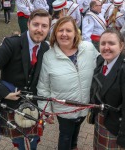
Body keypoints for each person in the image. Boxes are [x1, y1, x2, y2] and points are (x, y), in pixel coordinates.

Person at [0, 9, 51, 150]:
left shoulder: (46, 48)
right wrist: (4, 92)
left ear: (48, 28)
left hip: (34, 107)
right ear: (28, 24)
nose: (39, 30)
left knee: (33, 141)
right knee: (21, 144)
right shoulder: (12, 44)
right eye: (36, 24)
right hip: (12, 105)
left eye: (44, 26)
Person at [37, 16, 99, 150]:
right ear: (55, 34)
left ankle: (74, 145)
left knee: (77, 128)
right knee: (65, 135)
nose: (64, 34)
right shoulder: (49, 57)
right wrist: (45, 111)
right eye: (60, 30)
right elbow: (43, 86)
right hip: (64, 109)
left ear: (76, 33)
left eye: (68, 30)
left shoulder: (88, 48)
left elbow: (102, 65)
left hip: (84, 104)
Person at [90, 28, 125, 149]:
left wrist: (124, 137)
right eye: (103, 43)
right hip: (102, 120)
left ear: (121, 46)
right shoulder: (100, 60)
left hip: (118, 127)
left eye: (111, 43)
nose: (106, 47)